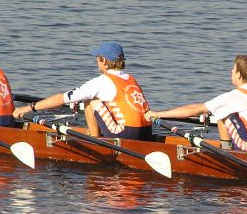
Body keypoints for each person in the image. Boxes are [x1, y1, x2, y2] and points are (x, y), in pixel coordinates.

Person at [144, 55, 247, 153]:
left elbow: (196, 109)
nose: (231, 72)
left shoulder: (236, 96)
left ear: (239, 75)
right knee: (226, 111)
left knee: (222, 113)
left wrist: (158, 114)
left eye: (233, 69)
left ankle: (227, 153)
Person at [13, 42, 152, 140]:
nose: (96, 61)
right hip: (146, 133)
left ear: (103, 60)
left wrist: (28, 108)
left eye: (97, 58)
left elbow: (61, 99)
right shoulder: (131, 79)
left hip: (126, 134)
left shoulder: (101, 82)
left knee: (90, 101)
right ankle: (97, 135)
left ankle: (95, 139)